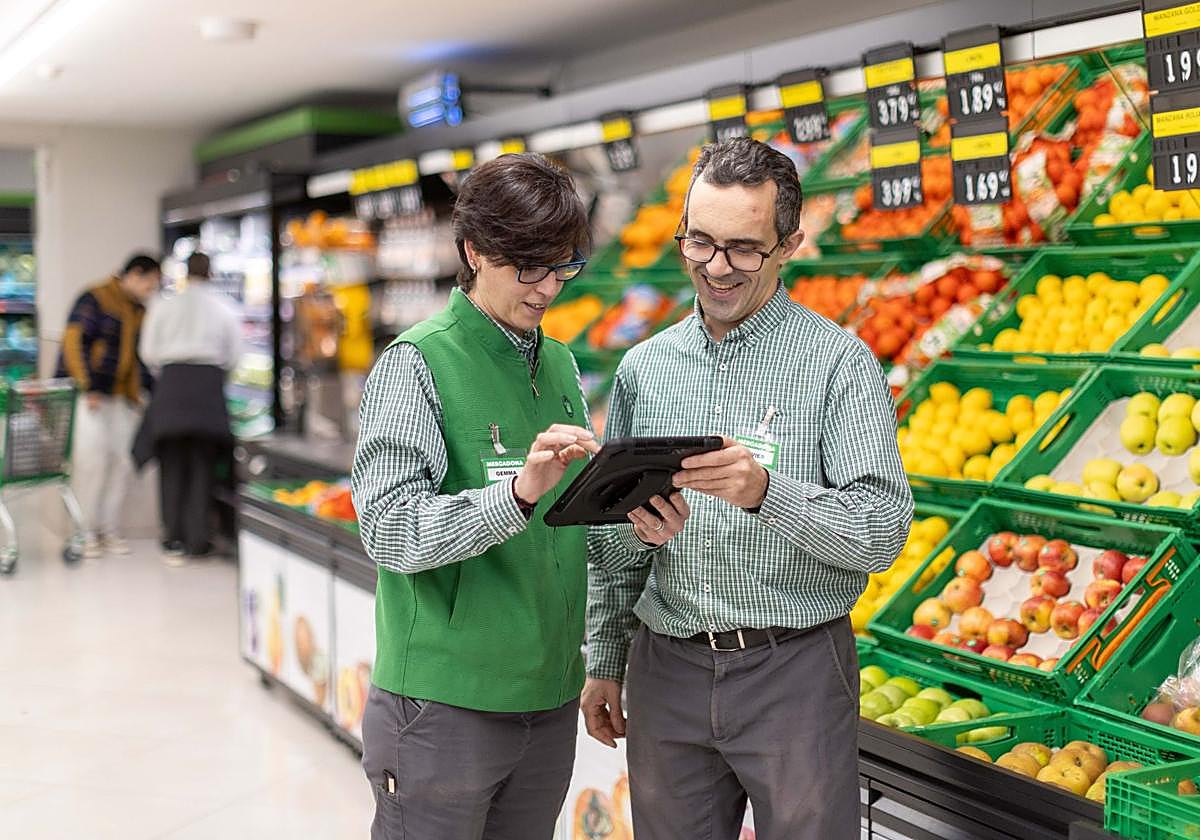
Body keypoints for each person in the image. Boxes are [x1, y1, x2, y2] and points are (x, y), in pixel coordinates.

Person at [581, 137, 913, 840]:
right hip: (665, 665)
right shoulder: (646, 368)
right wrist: (606, 658)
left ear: (789, 243)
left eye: (743, 248)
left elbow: (881, 531)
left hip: (793, 670)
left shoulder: (839, 365)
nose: (717, 268)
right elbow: (612, 543)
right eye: (698, 243)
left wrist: (768, 492)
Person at [351, 153, 603, 840]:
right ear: (473, 251)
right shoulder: (418, 363)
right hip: (443, 708)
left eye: (562, 266)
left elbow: (569, 519)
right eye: (529, 266)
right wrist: (516, 496)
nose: (548, 286)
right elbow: (389, 528)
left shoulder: (558, 362)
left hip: (548, 699)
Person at [134, 252, 241, 563]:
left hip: (171, 386)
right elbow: (235, 356)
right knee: (203, 466)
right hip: (208, 389)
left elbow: (149, 352)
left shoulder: (164, 306)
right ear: (211, 272)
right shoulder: (224, 308)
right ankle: (198, 540)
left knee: (171, 466)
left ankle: (173, 539)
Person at [56, 253, 161, 558]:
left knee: (121, 463)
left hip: (121, 398)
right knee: (91, 464)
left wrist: (145, 389)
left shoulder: (138, 310)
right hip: (91, 397)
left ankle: (108, 529)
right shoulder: (95, 298)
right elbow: (74, 342)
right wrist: (87, 385)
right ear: (135, 275)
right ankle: (83, 531)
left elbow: (137, 356)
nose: (150, 291)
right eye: (150, 284)